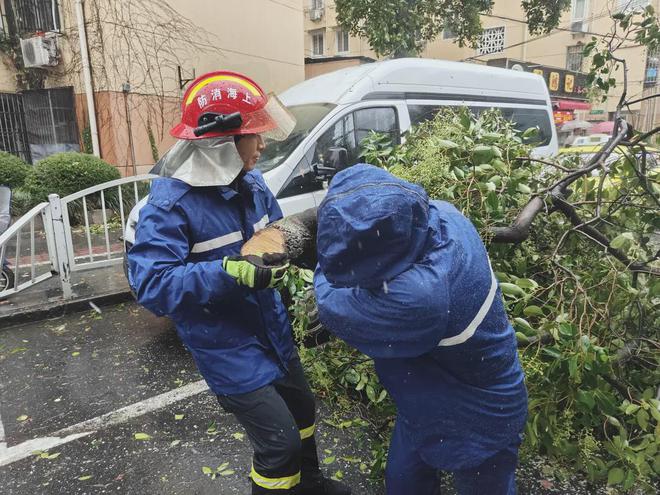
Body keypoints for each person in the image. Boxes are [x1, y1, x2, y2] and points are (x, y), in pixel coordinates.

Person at [128, 71, 350, 495]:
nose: (263, 145)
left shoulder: (252, 184)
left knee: (302, 410)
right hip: (225, 346)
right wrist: (229, 272)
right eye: (254, 136)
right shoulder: (170, 205)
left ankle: (311, 486)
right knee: (279, 442)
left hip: (272, 329)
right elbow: (152, 285)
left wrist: (320, 287)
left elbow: (281, 241)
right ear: (219, 143)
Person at [313, 164, 528, 495]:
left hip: (480, 411)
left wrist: (327, 256)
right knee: (404, 481)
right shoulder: (440, 213)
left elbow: (331, 301)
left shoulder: (420, 297)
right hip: (426, 398)